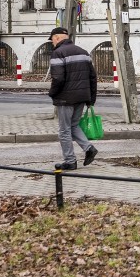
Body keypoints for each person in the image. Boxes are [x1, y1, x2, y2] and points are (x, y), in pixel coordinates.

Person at [48, 27, 98, 170]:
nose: (52, 43)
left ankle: (70, 161)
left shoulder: (58, 53)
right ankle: (89, 148)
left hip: (65, 98)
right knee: (74, 125)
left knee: (64, 130)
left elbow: (57, 78)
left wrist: (52, 93)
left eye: (52, 40)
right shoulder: (83, 52)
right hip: (81, 97)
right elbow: (92, 78)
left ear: (57, 37)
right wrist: (91, 99)